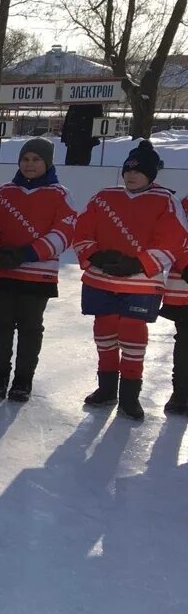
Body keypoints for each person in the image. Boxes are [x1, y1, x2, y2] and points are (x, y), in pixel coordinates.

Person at [73, 140, 188, 421]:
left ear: (151, 175)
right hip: (101, 279)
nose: (131, 176)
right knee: (105, 331)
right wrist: (95, 256)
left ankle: (129, 396)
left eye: (138, 172)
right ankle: (106, 388)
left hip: (141, 283)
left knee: (132, 335)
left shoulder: (165, 200)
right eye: (127, 171)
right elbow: (83, 229)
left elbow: (173, 239)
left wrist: (138, 263)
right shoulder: (104, 196)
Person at [0, 138, 78, 401]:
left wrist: (27, 253)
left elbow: (65, 231)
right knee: (0, 325)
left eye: (36, 159)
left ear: (47, 163)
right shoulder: (2, 192)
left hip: (38, 274)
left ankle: (23, 379)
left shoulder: (59, 194)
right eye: (25, 159)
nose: (30, 164)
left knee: (30, 327)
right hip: (0, 270)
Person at [161, 195, 188, 415]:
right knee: (186, 343)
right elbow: (176, 238)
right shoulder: (184, 206)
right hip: (185, 289)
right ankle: (181, 394)